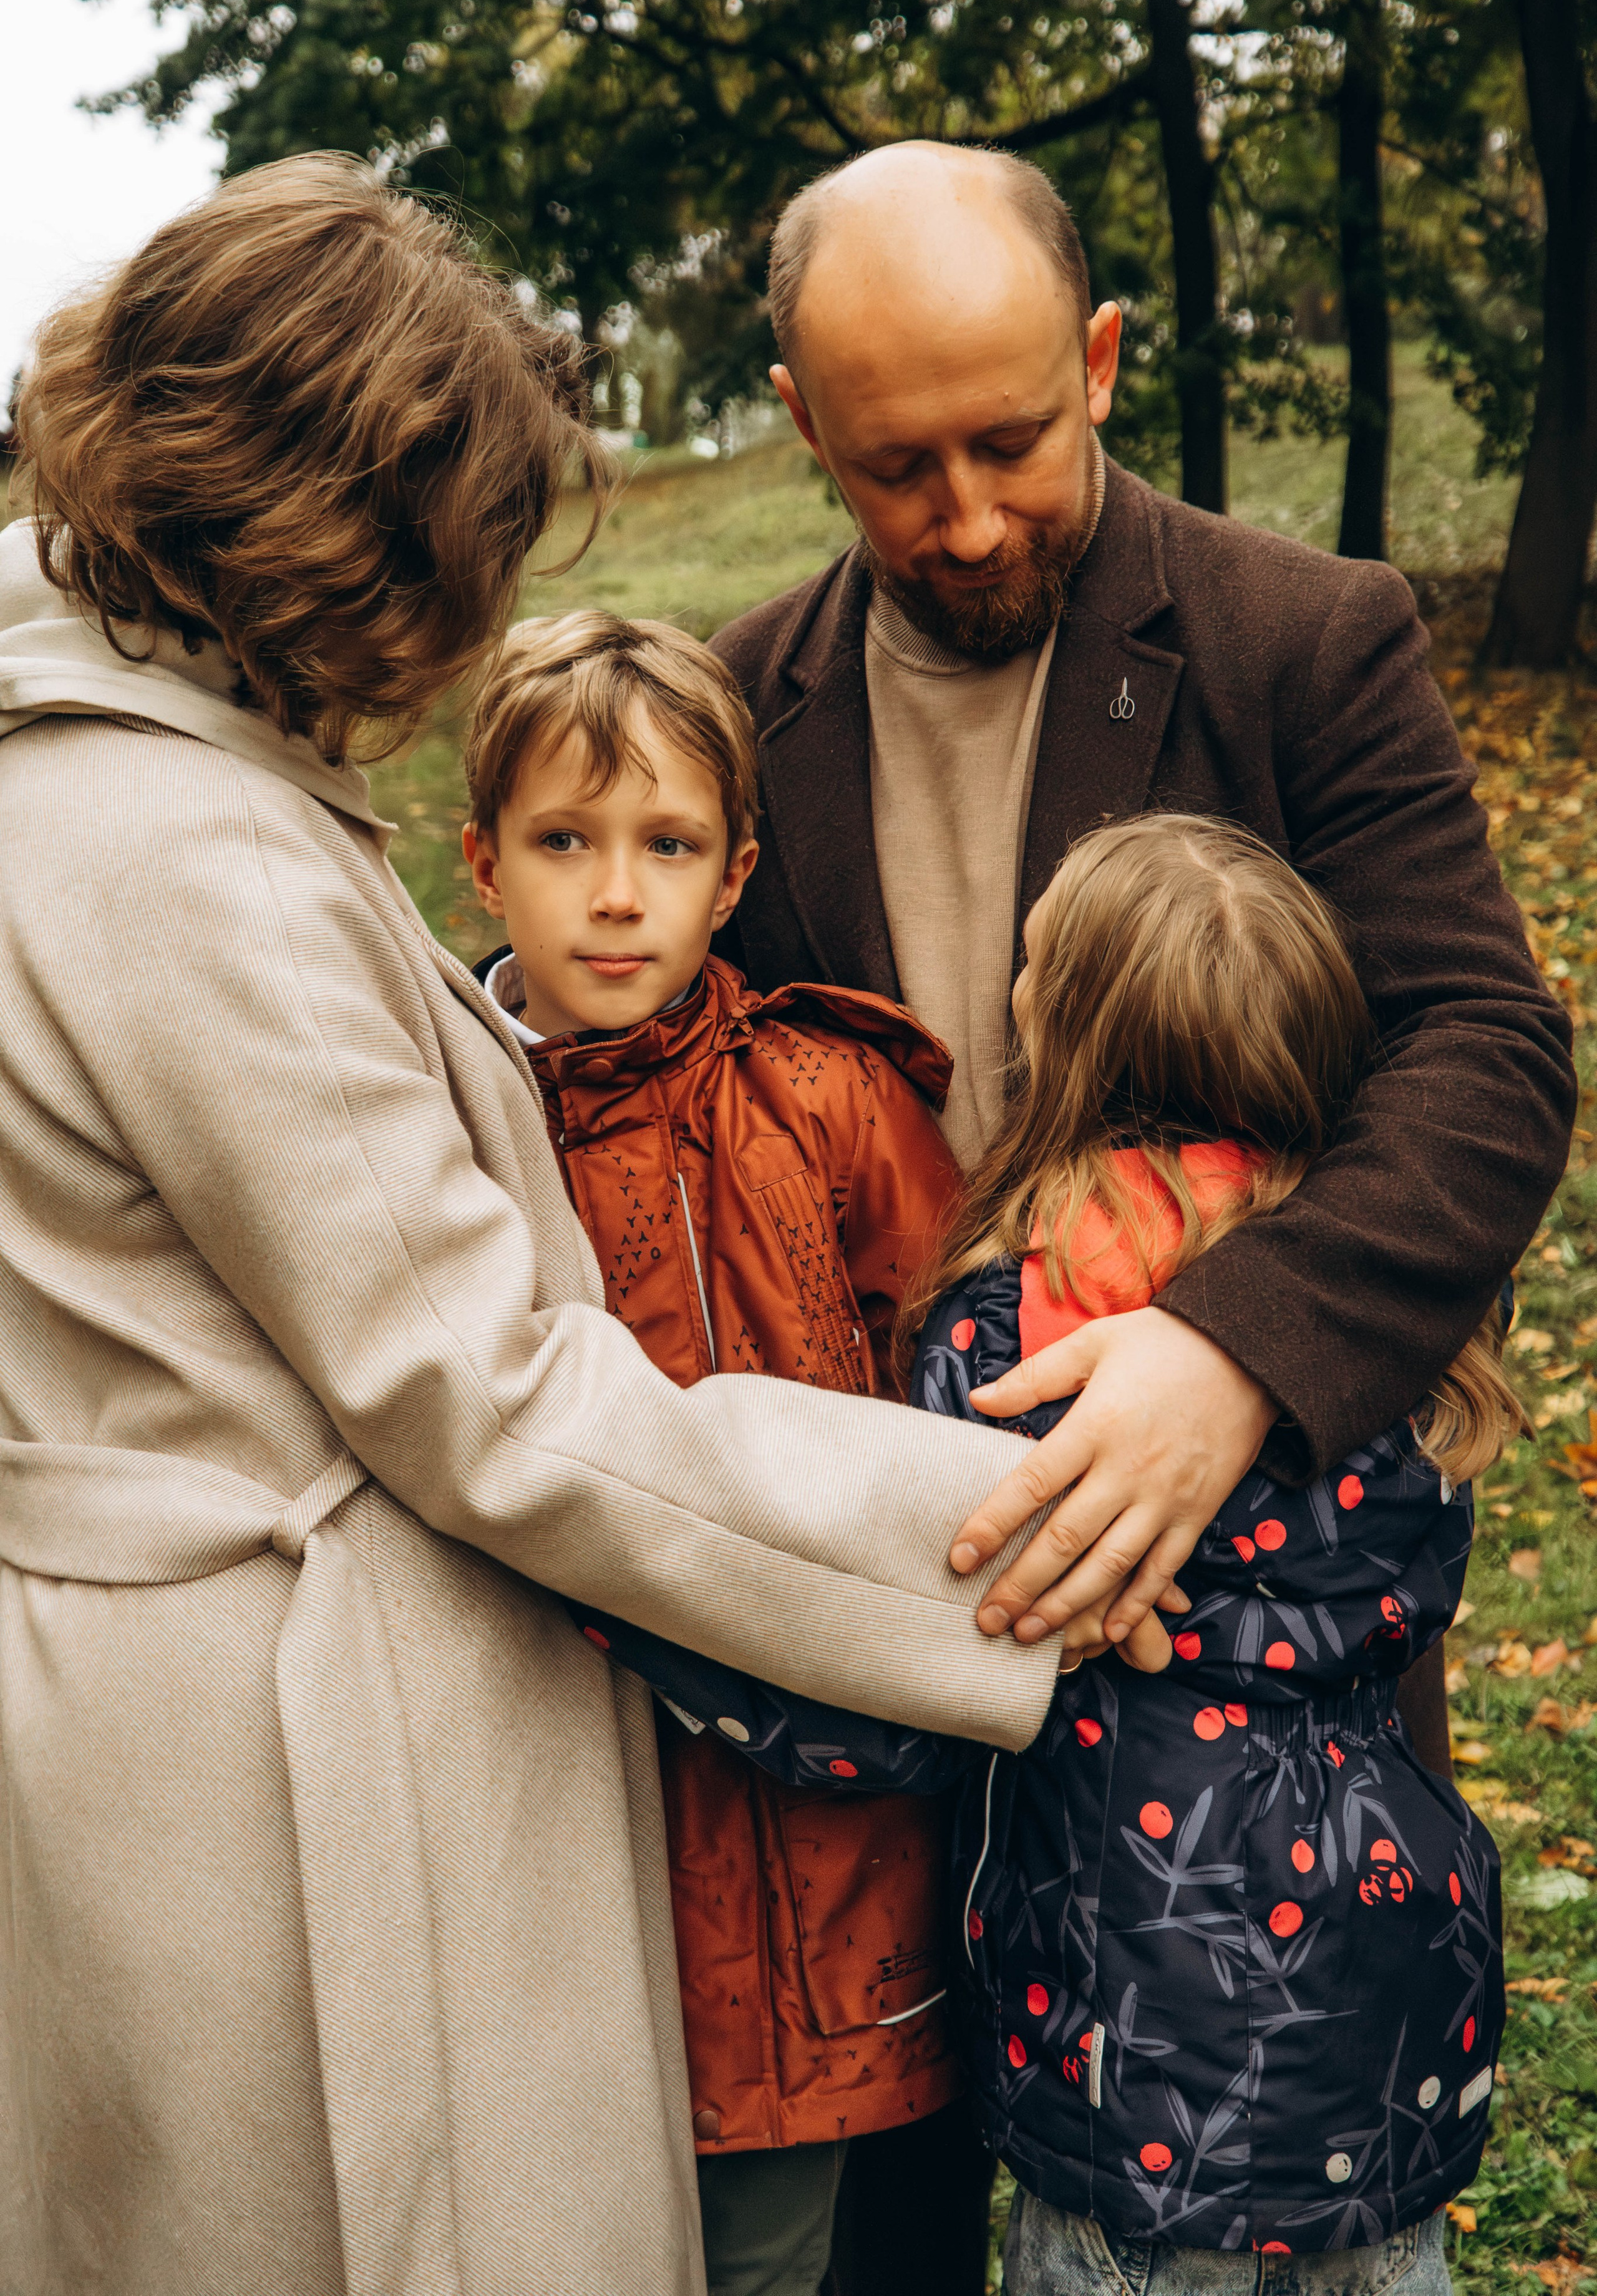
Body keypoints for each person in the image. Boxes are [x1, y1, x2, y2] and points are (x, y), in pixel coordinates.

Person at [0, 154, 1139, 2296]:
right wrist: (1001, 1538)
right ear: (359, 534)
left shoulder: (91, 758)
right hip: (272, 1762)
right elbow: (489, 1387)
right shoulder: (180, 853)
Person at [576, 814, 1516, 2287]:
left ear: (1070, 1041)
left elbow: (902, 1681)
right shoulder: (1380, 1329)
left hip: (1132, 2042)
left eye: (1029, 968)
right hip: (1389, 1997)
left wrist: (646, 1609)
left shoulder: (1012, 1351)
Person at [711, 140, 1573, 1727]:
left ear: (1097, 363)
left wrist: (1230, 1353)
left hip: (1257, 1708)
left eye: (1011, 442)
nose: (968, 522)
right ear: (801, 419)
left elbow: (1485, 1053)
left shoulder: (1302, 641)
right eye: (897, 466)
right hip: (895, 1661)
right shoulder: (734, 710)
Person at [458, 608, 984, 2296]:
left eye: (666, 845)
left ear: (734, 868)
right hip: (537, 1789)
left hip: (805, 1830)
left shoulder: (828, 1101)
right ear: (481, 863)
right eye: (565, 842)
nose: (617, 895)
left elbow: (964, 1394)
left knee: (774, 2244)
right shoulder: (432, 1113)